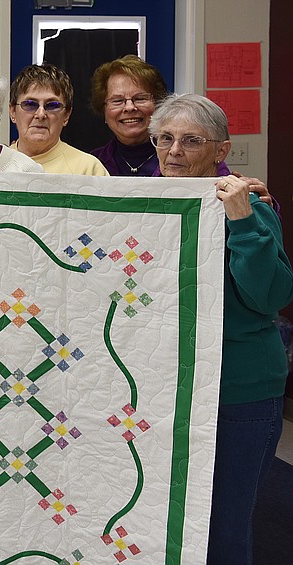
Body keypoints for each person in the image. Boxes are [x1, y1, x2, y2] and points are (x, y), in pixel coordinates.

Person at [149, 93, 293, 565]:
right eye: (165, 139)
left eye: (191, 141)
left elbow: (269, 297)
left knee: (224, 526)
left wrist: (243, 221)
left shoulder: (247, 205)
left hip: (240, 390)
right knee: (163, 523)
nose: (174, 151)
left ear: (221, 149)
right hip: (165, 390)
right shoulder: (144, 203)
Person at [8, 63, 106, 175]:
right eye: (30, 104)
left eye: (52, 105)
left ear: (66, 115)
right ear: (12, 111)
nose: (41, 114)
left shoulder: (89, 169)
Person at [90, 55, 168, 176]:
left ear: (157, 105)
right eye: (117, 101)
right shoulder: (91, 165)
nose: (129, 107)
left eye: (140, 98)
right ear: (103, 110)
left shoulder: (179, 160)